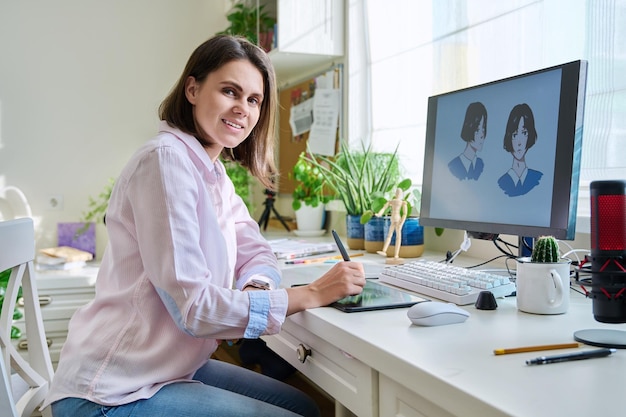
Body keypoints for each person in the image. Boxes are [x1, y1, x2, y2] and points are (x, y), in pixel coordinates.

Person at [44, 35, 366, 417]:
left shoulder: (212, 173)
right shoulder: (165, 162)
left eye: (254, 100)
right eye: (230, 91)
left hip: (167, 369)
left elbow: (256, 250)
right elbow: (195, 309)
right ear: (193, 89)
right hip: (111, 389)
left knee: (303, 406)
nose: (243, 108)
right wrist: (310, 293)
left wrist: (255, 286)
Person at [498, 103, 543, 196]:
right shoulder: (501, 183)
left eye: (524, 133)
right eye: (515, 134)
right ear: (509, 137)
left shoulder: (538, 178)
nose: (519, 142)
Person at [448, 101, 488, 180]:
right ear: (469, 128)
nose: (481, 135)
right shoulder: (453, 166)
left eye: (483, 129)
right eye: (477, 130)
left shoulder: (480, 164)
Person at [376, 188, 408, 260]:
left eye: (399, 193)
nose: (398, 194)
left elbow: (405, 214)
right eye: (397, 192)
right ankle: (384, 250)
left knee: (398, 237)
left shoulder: (402, 202)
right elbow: (384, 208)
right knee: (389, 236)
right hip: (393, 219)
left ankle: (396, 254)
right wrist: (379, 214)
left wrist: (401, 223)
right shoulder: (391, 201)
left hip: (397, 219)